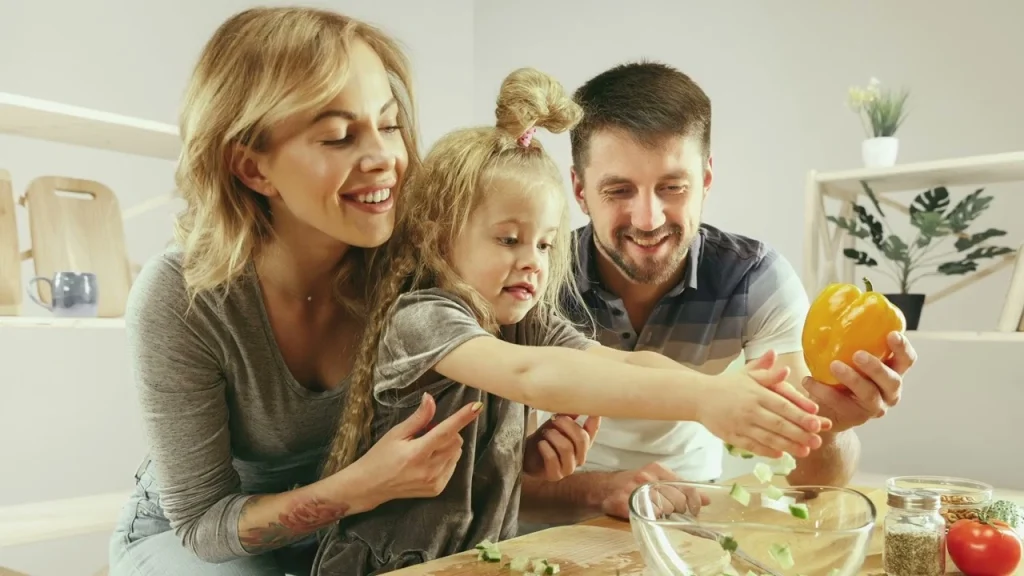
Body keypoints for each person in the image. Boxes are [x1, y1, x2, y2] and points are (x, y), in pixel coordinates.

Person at [108, 8, 593, 576]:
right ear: (251, 168)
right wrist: (362, 488)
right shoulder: (181, 297)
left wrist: (515, 461)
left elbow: (538, 363)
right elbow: (201, 527)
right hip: (197, 541)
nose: (385, 159)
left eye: (388, 126)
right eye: (339, 136)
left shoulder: (416, 259)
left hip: (347, 534)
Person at [309, 67, 831, 576]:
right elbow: (530, 376)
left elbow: (625, 364)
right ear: (439, 234)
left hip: (469, 559)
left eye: (544, 242)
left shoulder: (522, 319)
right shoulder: (424, 318)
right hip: (381, 565)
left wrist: (735, 392)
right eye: (509, 239)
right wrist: (706, 400)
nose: (534, 260)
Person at [520, 60, 919, 523]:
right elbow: (485, 481)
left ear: (706, 179)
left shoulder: (754, 278)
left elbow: (815, 482)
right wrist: (598, 490)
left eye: (672, 187)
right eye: (619, 190)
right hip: (550, 529)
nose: (648, 219)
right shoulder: (536, 279)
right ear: (579, 190)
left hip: (690, 512)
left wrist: (829, 427)